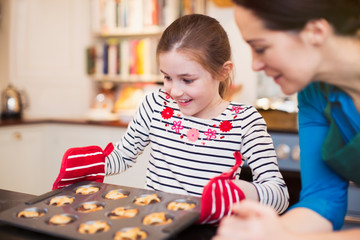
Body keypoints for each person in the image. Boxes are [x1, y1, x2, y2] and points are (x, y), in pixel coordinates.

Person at [52, 14, 289, 224]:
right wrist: (95, 163)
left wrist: (240, 191)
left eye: (187, 80)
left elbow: (279, 195)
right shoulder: (155, 104)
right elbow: (124, 156)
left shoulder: (245, 121)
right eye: (167, 77)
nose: (174, 91)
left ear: (223, 71)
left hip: (210, 232)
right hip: (154, 224)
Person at [213, 0, 360, 238]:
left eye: (260, 48)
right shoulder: (314, 92)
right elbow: (322, 200)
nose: (255, 65)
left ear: (315, 32)